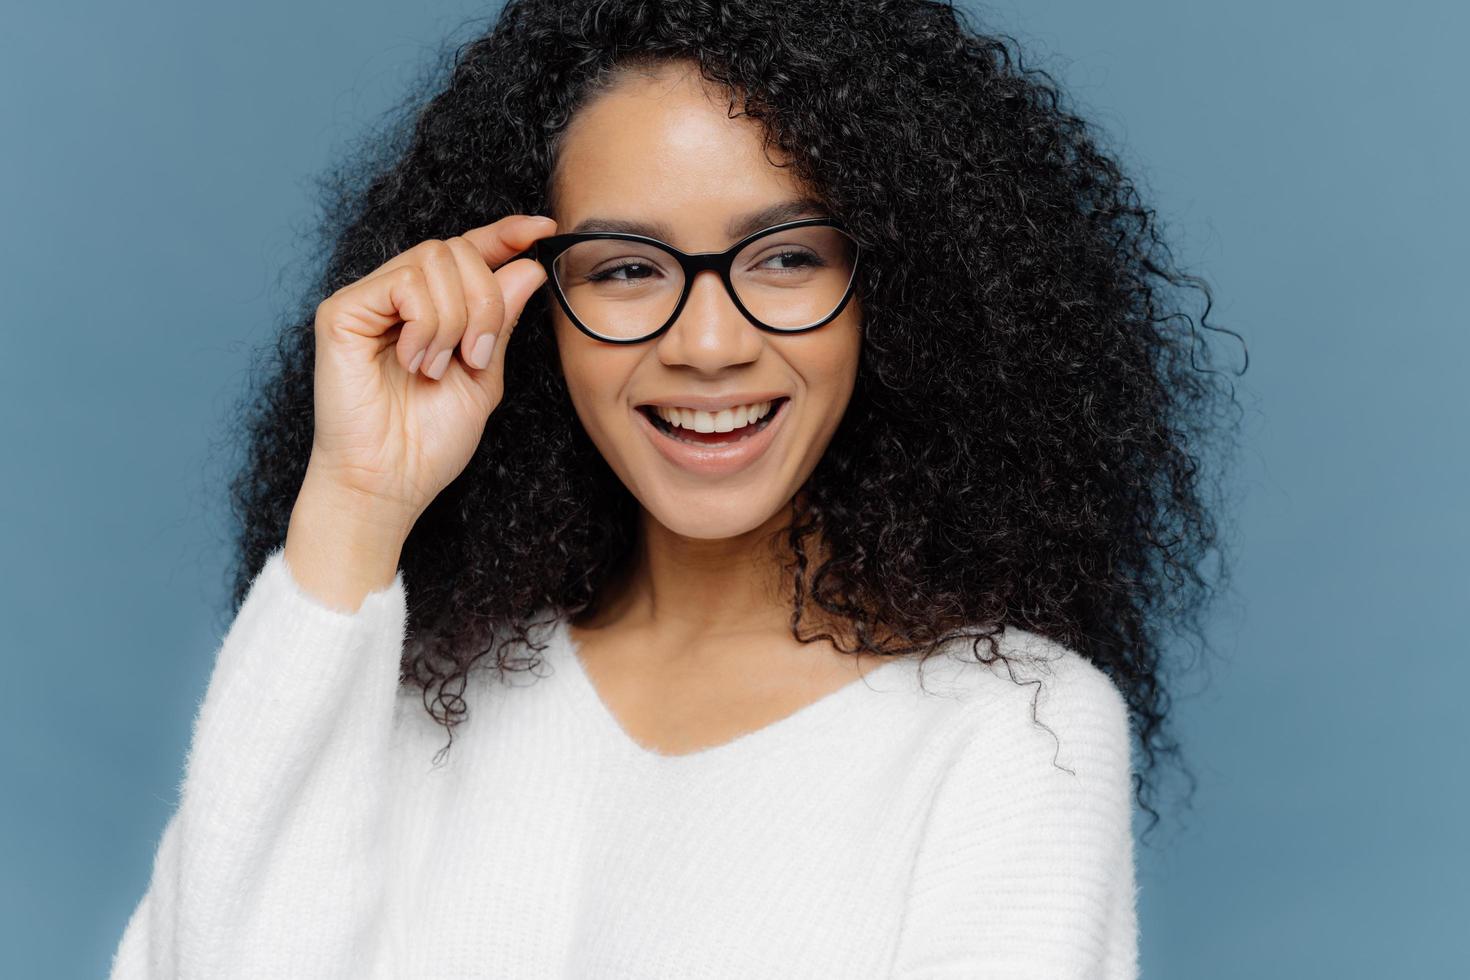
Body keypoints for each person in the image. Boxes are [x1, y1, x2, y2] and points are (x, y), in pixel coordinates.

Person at [111, 0, 1241, 975]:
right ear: (537, 307)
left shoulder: (1016, 730)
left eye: (787, 256)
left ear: (894, 289)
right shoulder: (420, 691)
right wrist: (356, 501)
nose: (709, 342)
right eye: (628, 268)